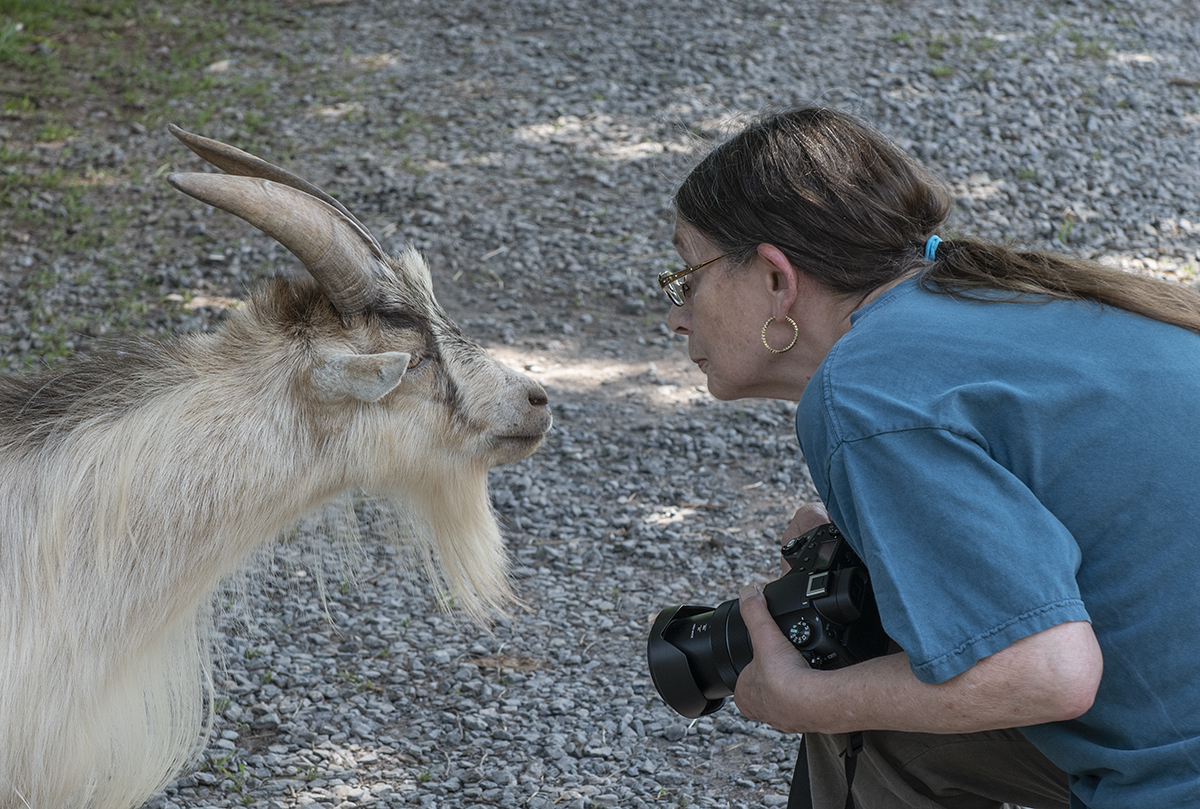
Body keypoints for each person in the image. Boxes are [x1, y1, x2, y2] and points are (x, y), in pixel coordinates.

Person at [658, 106, 1200, 809]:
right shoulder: (1004, 302)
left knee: (862, 714)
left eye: (687, 276)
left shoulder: (864, 392)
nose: (676, 315)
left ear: (774, 279)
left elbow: (1047, 672)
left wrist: (807, 698)